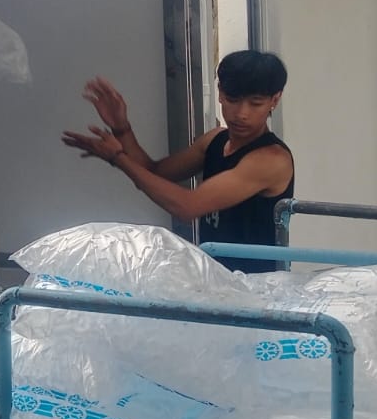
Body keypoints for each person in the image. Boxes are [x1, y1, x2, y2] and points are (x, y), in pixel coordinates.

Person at [61, 50, 294, 273]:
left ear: (275, 99)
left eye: (255, 104)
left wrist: (117, 158)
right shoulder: (215, 139)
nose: (242, 113)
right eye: (233, 100)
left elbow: (187, 207)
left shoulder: (271, 160)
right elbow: (155, 172)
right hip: (216, 276)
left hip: (259, 286)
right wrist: (122, 128)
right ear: (220, 93)